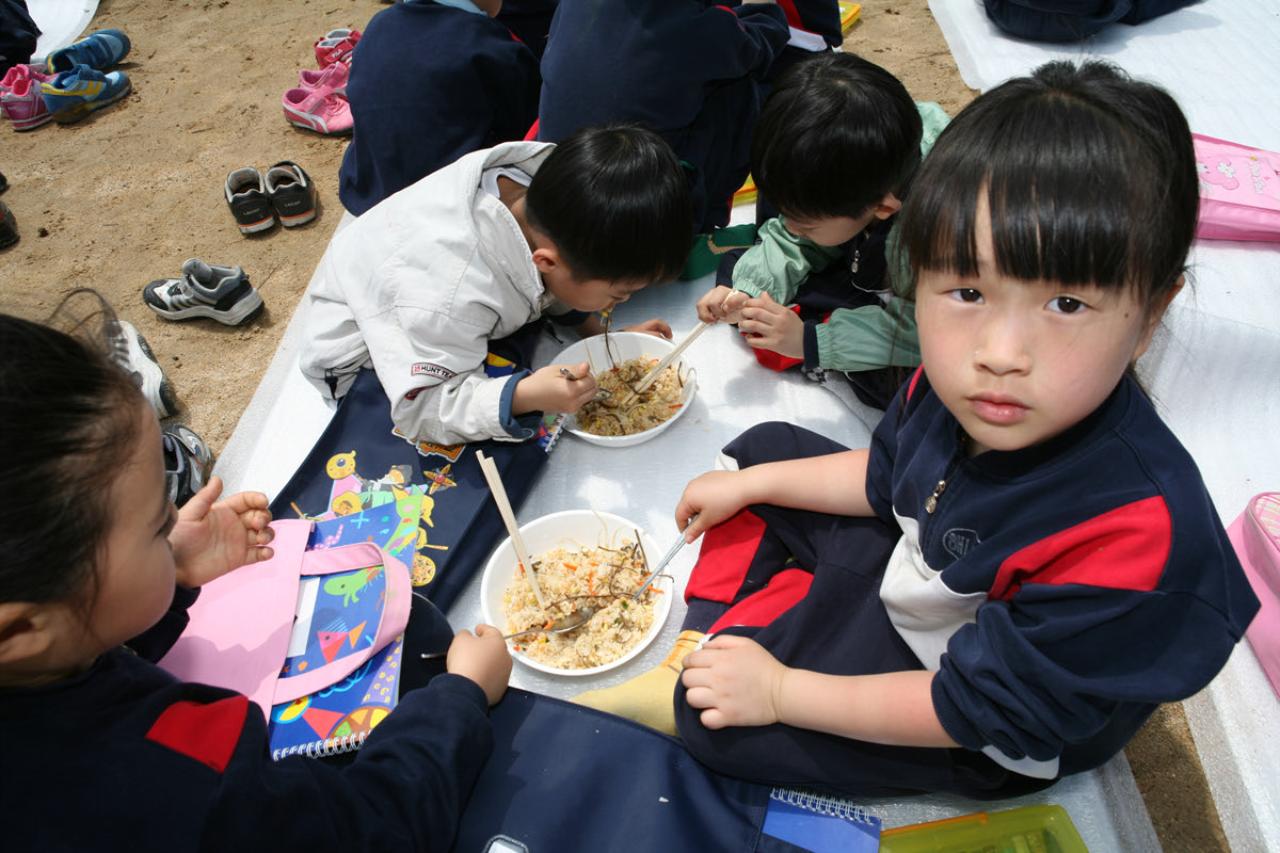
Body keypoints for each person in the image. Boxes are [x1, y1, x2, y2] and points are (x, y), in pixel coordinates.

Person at [591, 61, 1261, 797]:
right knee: (762, 453)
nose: (999, 354)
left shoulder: (1137, 533)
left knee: (713, 715)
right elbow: (886, 475)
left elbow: (970, 706)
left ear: (1150, 316)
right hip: (929, 570)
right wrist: (752, 483)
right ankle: (755, 618)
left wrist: (783, 692)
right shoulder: (958, 386)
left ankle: (770, 626)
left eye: (1067, 303)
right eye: (968, 291)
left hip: (967, 709)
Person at [0, 304, 514, 851]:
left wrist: (170, 570)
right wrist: (460, 699)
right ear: (19, 629)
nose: (176, 521)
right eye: (157, 525)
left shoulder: (35, 664)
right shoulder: (179, 776)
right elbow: (371, 828)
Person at [302, 124, 693, 447]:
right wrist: (524, 396)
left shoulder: (556, 197)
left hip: (429, 312)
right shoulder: (451, 290)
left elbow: (559, 284)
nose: (621, 302)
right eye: (618, 295)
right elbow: (420, 410)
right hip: (362, 358)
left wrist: (603, 338)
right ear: (547, 263)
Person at [695, 52, 950, 410]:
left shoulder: (943, 232)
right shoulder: (851, 175)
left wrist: (812, 342)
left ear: (883, 209)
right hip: (861, 248)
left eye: (805, 221)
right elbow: (792, 236)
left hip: (932, 315)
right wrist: (747, 291)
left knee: (907, 391)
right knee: (745, 266)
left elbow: (932, 331)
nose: (790, 224)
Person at [536, 0, 790, 234]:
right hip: (646, 221)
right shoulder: (697, 25)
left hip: (557, 195)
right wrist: (762, 4)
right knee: (742, 85)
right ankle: (706, 223)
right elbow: (763, 36)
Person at [338, 0, 541, 216]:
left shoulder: (378, 25)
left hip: (366, 195)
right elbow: (527, 135)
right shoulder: (495, 46)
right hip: (446, 210)